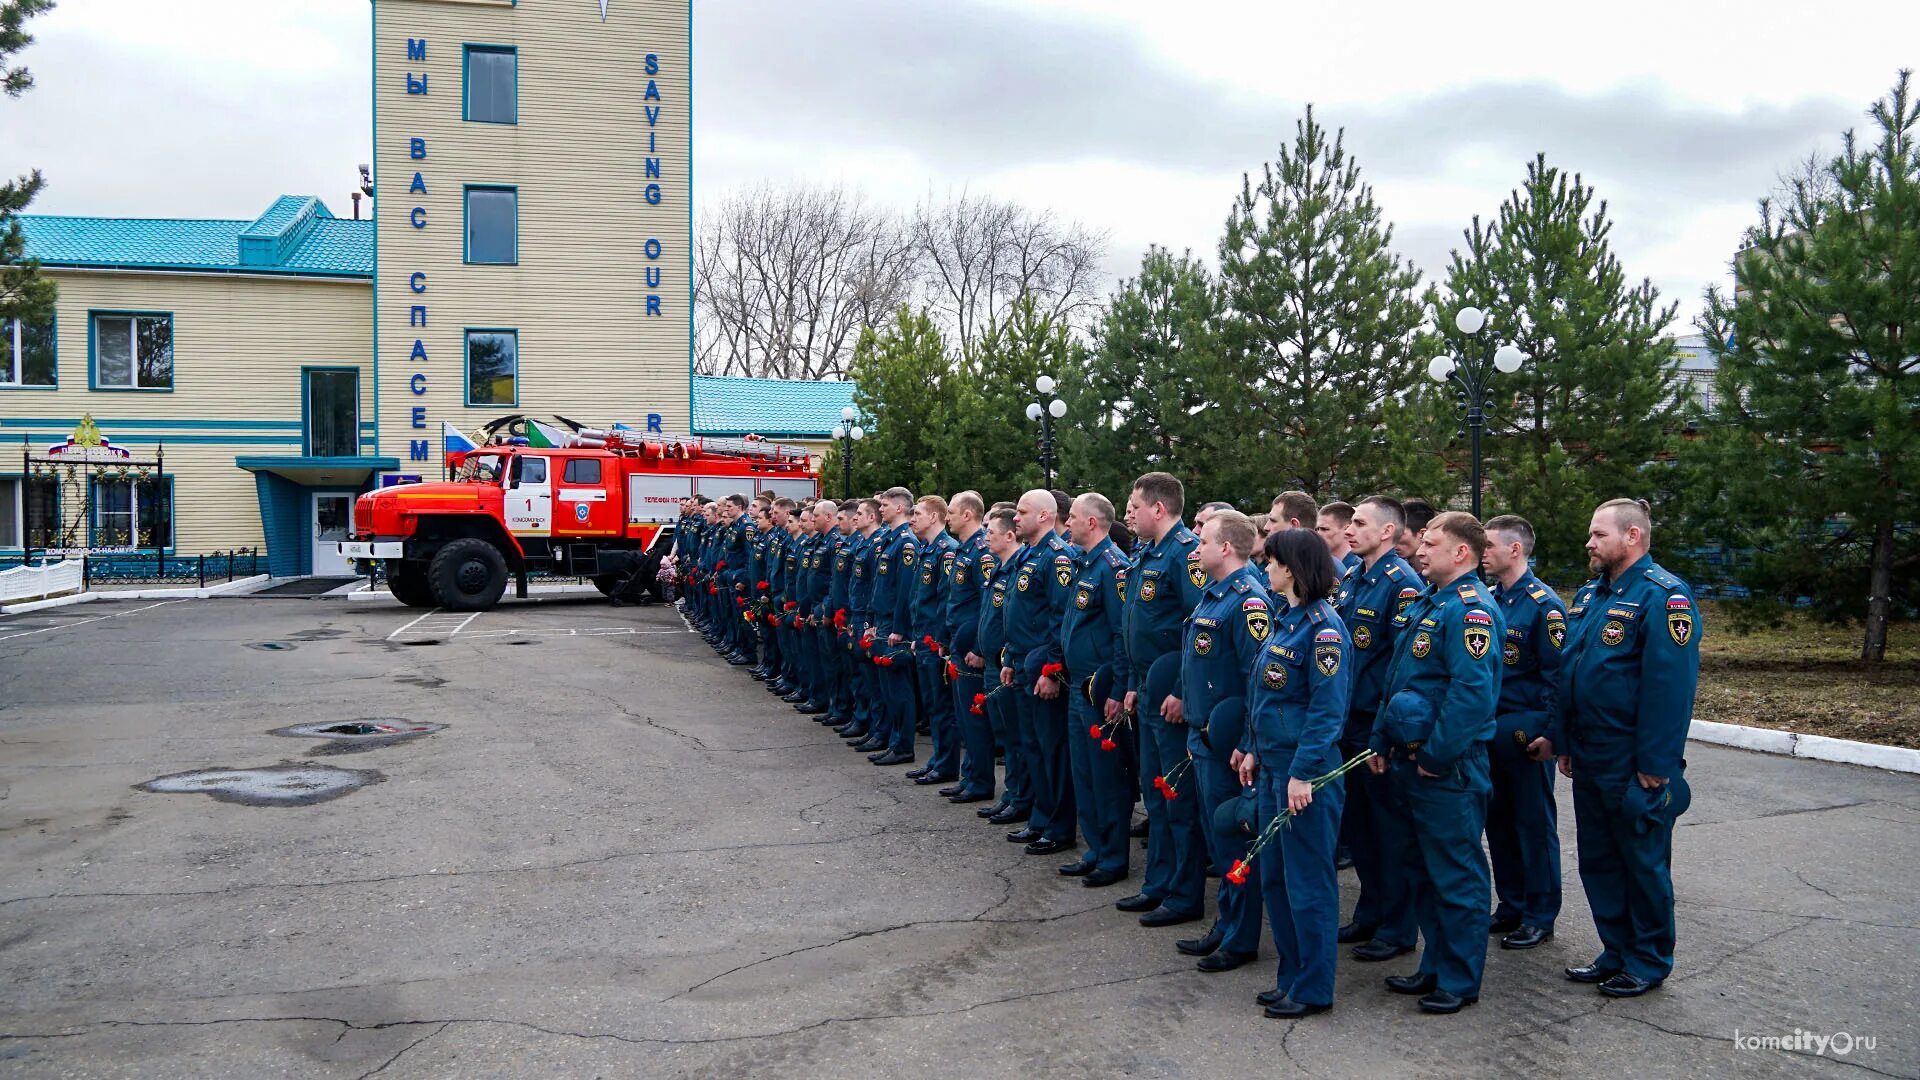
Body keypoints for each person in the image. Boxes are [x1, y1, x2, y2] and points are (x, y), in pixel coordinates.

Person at [1554, 498, 1700, 999]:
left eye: (1598, 534)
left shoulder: (1665, 597)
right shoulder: (1593, 594)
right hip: (1590, 752)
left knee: (1642, 862)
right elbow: (1573, 672)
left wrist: (1656, 764)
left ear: (1632, 536)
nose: (1589, 543)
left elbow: (1670, 688)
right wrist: (1567, 741)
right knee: (1598, 859)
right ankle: (1615, 949)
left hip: (1631, 758)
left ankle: (1649, 959)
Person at [1368, 511, 1503, 1015]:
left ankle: (1460, 978)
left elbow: (1471, 695)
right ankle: (1435, 965)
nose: (1419, 549)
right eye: (1420, 542)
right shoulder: (1431, 601)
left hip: (1447, 767)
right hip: (1410, 758)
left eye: (1432, 543)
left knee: (1456, 875)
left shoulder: (1471, 610)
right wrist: (1382, 740)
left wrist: (1436, 757)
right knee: (1422, 870)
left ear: (1461, 552)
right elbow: (1400, 681)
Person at [1235, 527, 1351, 1019]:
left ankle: (1313, 987)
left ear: (1293, 567)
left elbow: (1327, 710)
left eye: (1272, 561)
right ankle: (1291, 975)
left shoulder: (1324, 630)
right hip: (1273, 768)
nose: (1266, 567)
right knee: (1277, 881)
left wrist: (1302, 773)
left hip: (1304, 775)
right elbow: (1266, 697)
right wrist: (1252, 749)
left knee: (1308, 884)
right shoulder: (1287, 619)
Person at [1112, 473, 1211, 927]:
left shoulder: (1185, 554)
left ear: (1158, 508)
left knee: (1177, 798)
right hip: (1148, 688)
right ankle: (1158, 884)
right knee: (1156, 795)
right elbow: (1139, 627)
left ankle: (1184, 894)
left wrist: (1181, 691)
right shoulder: (1146, 552)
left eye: (1134, 506)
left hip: (1172, 693)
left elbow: (1200, 628)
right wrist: (1133, 680)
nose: (1127, 513)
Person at [1177, 509, 1269, 972]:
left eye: (1204, 540)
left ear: (1227, 548)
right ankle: (1226, 924)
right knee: (1218, 838)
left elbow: (1261, 680)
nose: (1195, 548)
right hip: (1203, 734)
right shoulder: (1214, 595)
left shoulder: (1248, 600)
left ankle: (1241, 936)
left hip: (1228, 744)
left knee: (1234, 841)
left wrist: (1249, 742)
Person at [1333, 496, 1422, 960]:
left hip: (1375, 725)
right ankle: (1370, 912)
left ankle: (1398, 927)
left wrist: (1384, 733)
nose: (1350, 529)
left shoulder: (1401, 584)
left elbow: (1401, 667)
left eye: (1360, 523)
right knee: (1361, 827)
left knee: (1391, 831)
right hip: (1348, 721)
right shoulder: (1353, 577)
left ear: (1387, 532)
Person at [1480, 514, 1567, 950]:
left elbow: (1557, 676)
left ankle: (1539, 913)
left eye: (1489, 545)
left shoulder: (1543, 604)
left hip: (1525, 733)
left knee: (1532, 824)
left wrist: (1552, 733)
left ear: (1515, 549)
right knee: (1498, 823)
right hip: (1492, 728)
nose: (1482, 553)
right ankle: (1511, 904)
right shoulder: (1491, 598)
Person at [1000, 490, 1079, 855]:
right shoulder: (1029, 554)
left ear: (1045, 516)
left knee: (1051, 749)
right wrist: (1009, 660)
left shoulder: (1057, 557)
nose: (1016, 517)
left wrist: (1051, 667)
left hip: (1043, 669)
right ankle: (1040, 817)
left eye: (1023, 511)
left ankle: (1060, 826)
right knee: (1031, 746)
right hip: (1022, 664)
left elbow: (1059, 617)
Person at [1059, 492, 1131, 888]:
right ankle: (1096, 849)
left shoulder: (1112, 567)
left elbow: (1122, 634)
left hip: (1098, 688)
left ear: (1092, 523)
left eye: (1072, 517)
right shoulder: (1083, 562)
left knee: (1107, 776)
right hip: (1076, 684)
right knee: (1084, 772)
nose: (1066, 523)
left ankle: (1114, 855)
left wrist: (1117, 689)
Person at [941, 492, 996, 804]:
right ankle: (970, 775)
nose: (948, 517)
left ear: (968, 514)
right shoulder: (965, 549)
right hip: (959, 642)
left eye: (952, 512)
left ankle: (980, 781)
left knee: (976, 720)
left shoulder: (982, 551)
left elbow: (986, 603)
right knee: (964, 717)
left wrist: (977, 645)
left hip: (973, 648)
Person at [976, 507, 1030, 825]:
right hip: (998, 663)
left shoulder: (1016, 568)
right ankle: (1012, 794)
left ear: (1009, 536)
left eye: (991, 533)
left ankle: (1020, 796)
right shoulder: (1001, 567)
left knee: (1017, 736)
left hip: (1007, 664)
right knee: (1006, 734)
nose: (986, 538)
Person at [906, 496, 959, 785]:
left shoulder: (946, 551)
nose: (912, 518)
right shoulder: (927, 550)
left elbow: (945, 601)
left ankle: (947, 764)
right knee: (931, 704)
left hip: (935, 640)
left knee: (941, 706)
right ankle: (938, 759)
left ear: (935, 517)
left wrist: (940, 639)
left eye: (918, 514)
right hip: (923, 637)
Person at [868, 488, 922, 767]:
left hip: (894, 624)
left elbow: (905, 590)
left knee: (899, 689)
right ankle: (892, 740)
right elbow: (880, 585)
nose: (881, 509)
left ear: (900, 508)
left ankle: (903, 746)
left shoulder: (906, 543)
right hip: (883, 620)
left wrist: (899, 628)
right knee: (887, 688)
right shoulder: (888, 539)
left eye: (886, 505)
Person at [843, 499, 886, 751]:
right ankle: (866, 723)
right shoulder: (863, 544)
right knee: (862, 677)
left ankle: (876, 729)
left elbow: (875, 588)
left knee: (874, 681)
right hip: (857, 614)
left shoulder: (878, 545)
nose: (854, 517)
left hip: (868, 618)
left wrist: (869, 620)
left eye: (859, 513)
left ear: (871, 518)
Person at [1318, 501, 1360, 574]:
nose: (1318, 534)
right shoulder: (1317, 565)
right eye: (1317, 529)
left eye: (1324, 529)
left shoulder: (1360, 569)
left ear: (1348, 529)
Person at [1394, 498, 1435, 567]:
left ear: (1423, 534)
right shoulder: (1398, 571)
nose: (1392, 540)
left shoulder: (1441, 575)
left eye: (1399, 533)